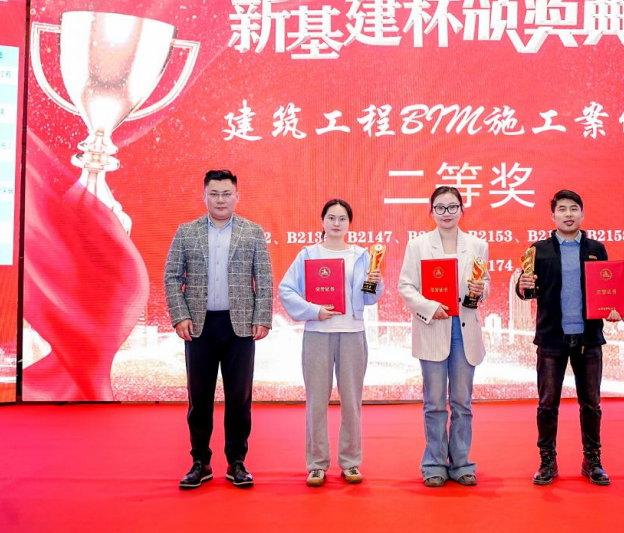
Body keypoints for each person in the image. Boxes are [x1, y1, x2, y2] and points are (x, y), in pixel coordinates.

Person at [164, 169, 272, 489]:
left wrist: (262, 317)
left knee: (239, 397)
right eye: (214, 194)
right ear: (205, 196)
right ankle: (200, 461)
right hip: (199, 326)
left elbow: (264, 279)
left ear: (237, 196)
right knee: (199, 397)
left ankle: (237, 461)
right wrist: (179, 316)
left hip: (240, 326)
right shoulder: (187, 232)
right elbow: (172, 277)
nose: (220, 200)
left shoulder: (253, 232)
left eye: (226, 194)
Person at [516, 189, 620, 487]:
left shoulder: (596, 248)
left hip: (589, 338)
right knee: (548, 404)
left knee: (591, 404)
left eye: (574, 208)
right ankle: (547, 461)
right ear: (553, 216)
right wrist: (522, 285)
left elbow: (606, 288)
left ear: (582, 214)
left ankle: (592, 460)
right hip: (551, 338)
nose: (568, 214)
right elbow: (527, 291)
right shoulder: (538, 250)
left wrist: (612, 308)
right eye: (562, 209)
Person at [279, 199, 384, 487]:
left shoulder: (361, 256)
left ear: (350, 223)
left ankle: (350, 462)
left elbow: (369, 298)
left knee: (352, 401)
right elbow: (286, 290)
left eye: (342, 218)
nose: (336, 223)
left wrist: (375, 282)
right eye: (331, 218)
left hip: (352, 333)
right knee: (316, 401)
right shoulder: (308, 254)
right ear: (322, 221)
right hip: (317, 334)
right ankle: (316, 464)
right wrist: (314, 311)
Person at [398, 186, 490, 487]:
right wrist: (429, 307)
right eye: (440, 207)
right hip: (433, 327)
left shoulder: (477, 245)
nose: (446, 213)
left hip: (464, 330)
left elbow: (485, 284)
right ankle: (434, 464)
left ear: (462, 210)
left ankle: (462, 463)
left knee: (462, 402)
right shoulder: (418, 246)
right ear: (431, 211)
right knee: (434, 402)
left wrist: (481, 290)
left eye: (452, 207)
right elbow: (406, 286)